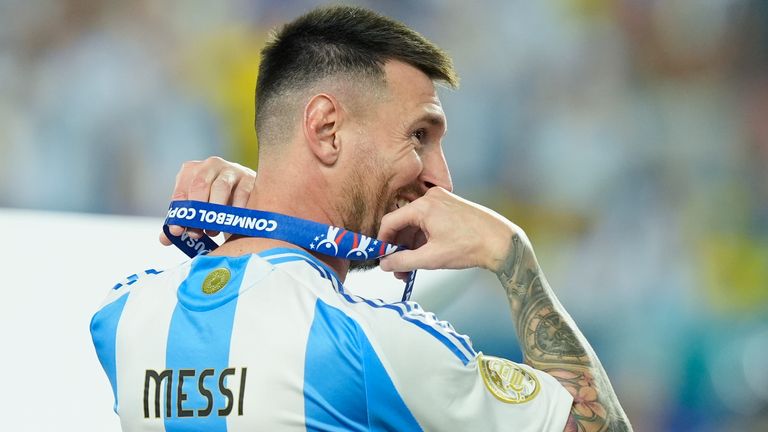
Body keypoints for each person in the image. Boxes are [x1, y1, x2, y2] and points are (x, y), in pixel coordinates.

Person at [91, 5, 632, 431]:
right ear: (326, 129)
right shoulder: (375, 344)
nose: (442, 179)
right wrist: (514, 257)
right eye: (420, 136)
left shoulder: (126, 318)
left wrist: (265, 211)